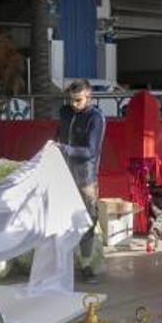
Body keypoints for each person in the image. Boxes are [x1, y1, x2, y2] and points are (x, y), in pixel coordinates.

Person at [56, 79, 106, 282]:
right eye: (70, 100)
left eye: (78, 100)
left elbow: (91, 151)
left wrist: (66, 149)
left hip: (85, 177)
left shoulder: (96, 118)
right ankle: (61, 263)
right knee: (61, 219)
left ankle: (86, 265)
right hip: (62, 174)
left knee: (87, 221)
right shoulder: (65, 112)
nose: (74, 104)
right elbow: (59, 133)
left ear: (88, 98)